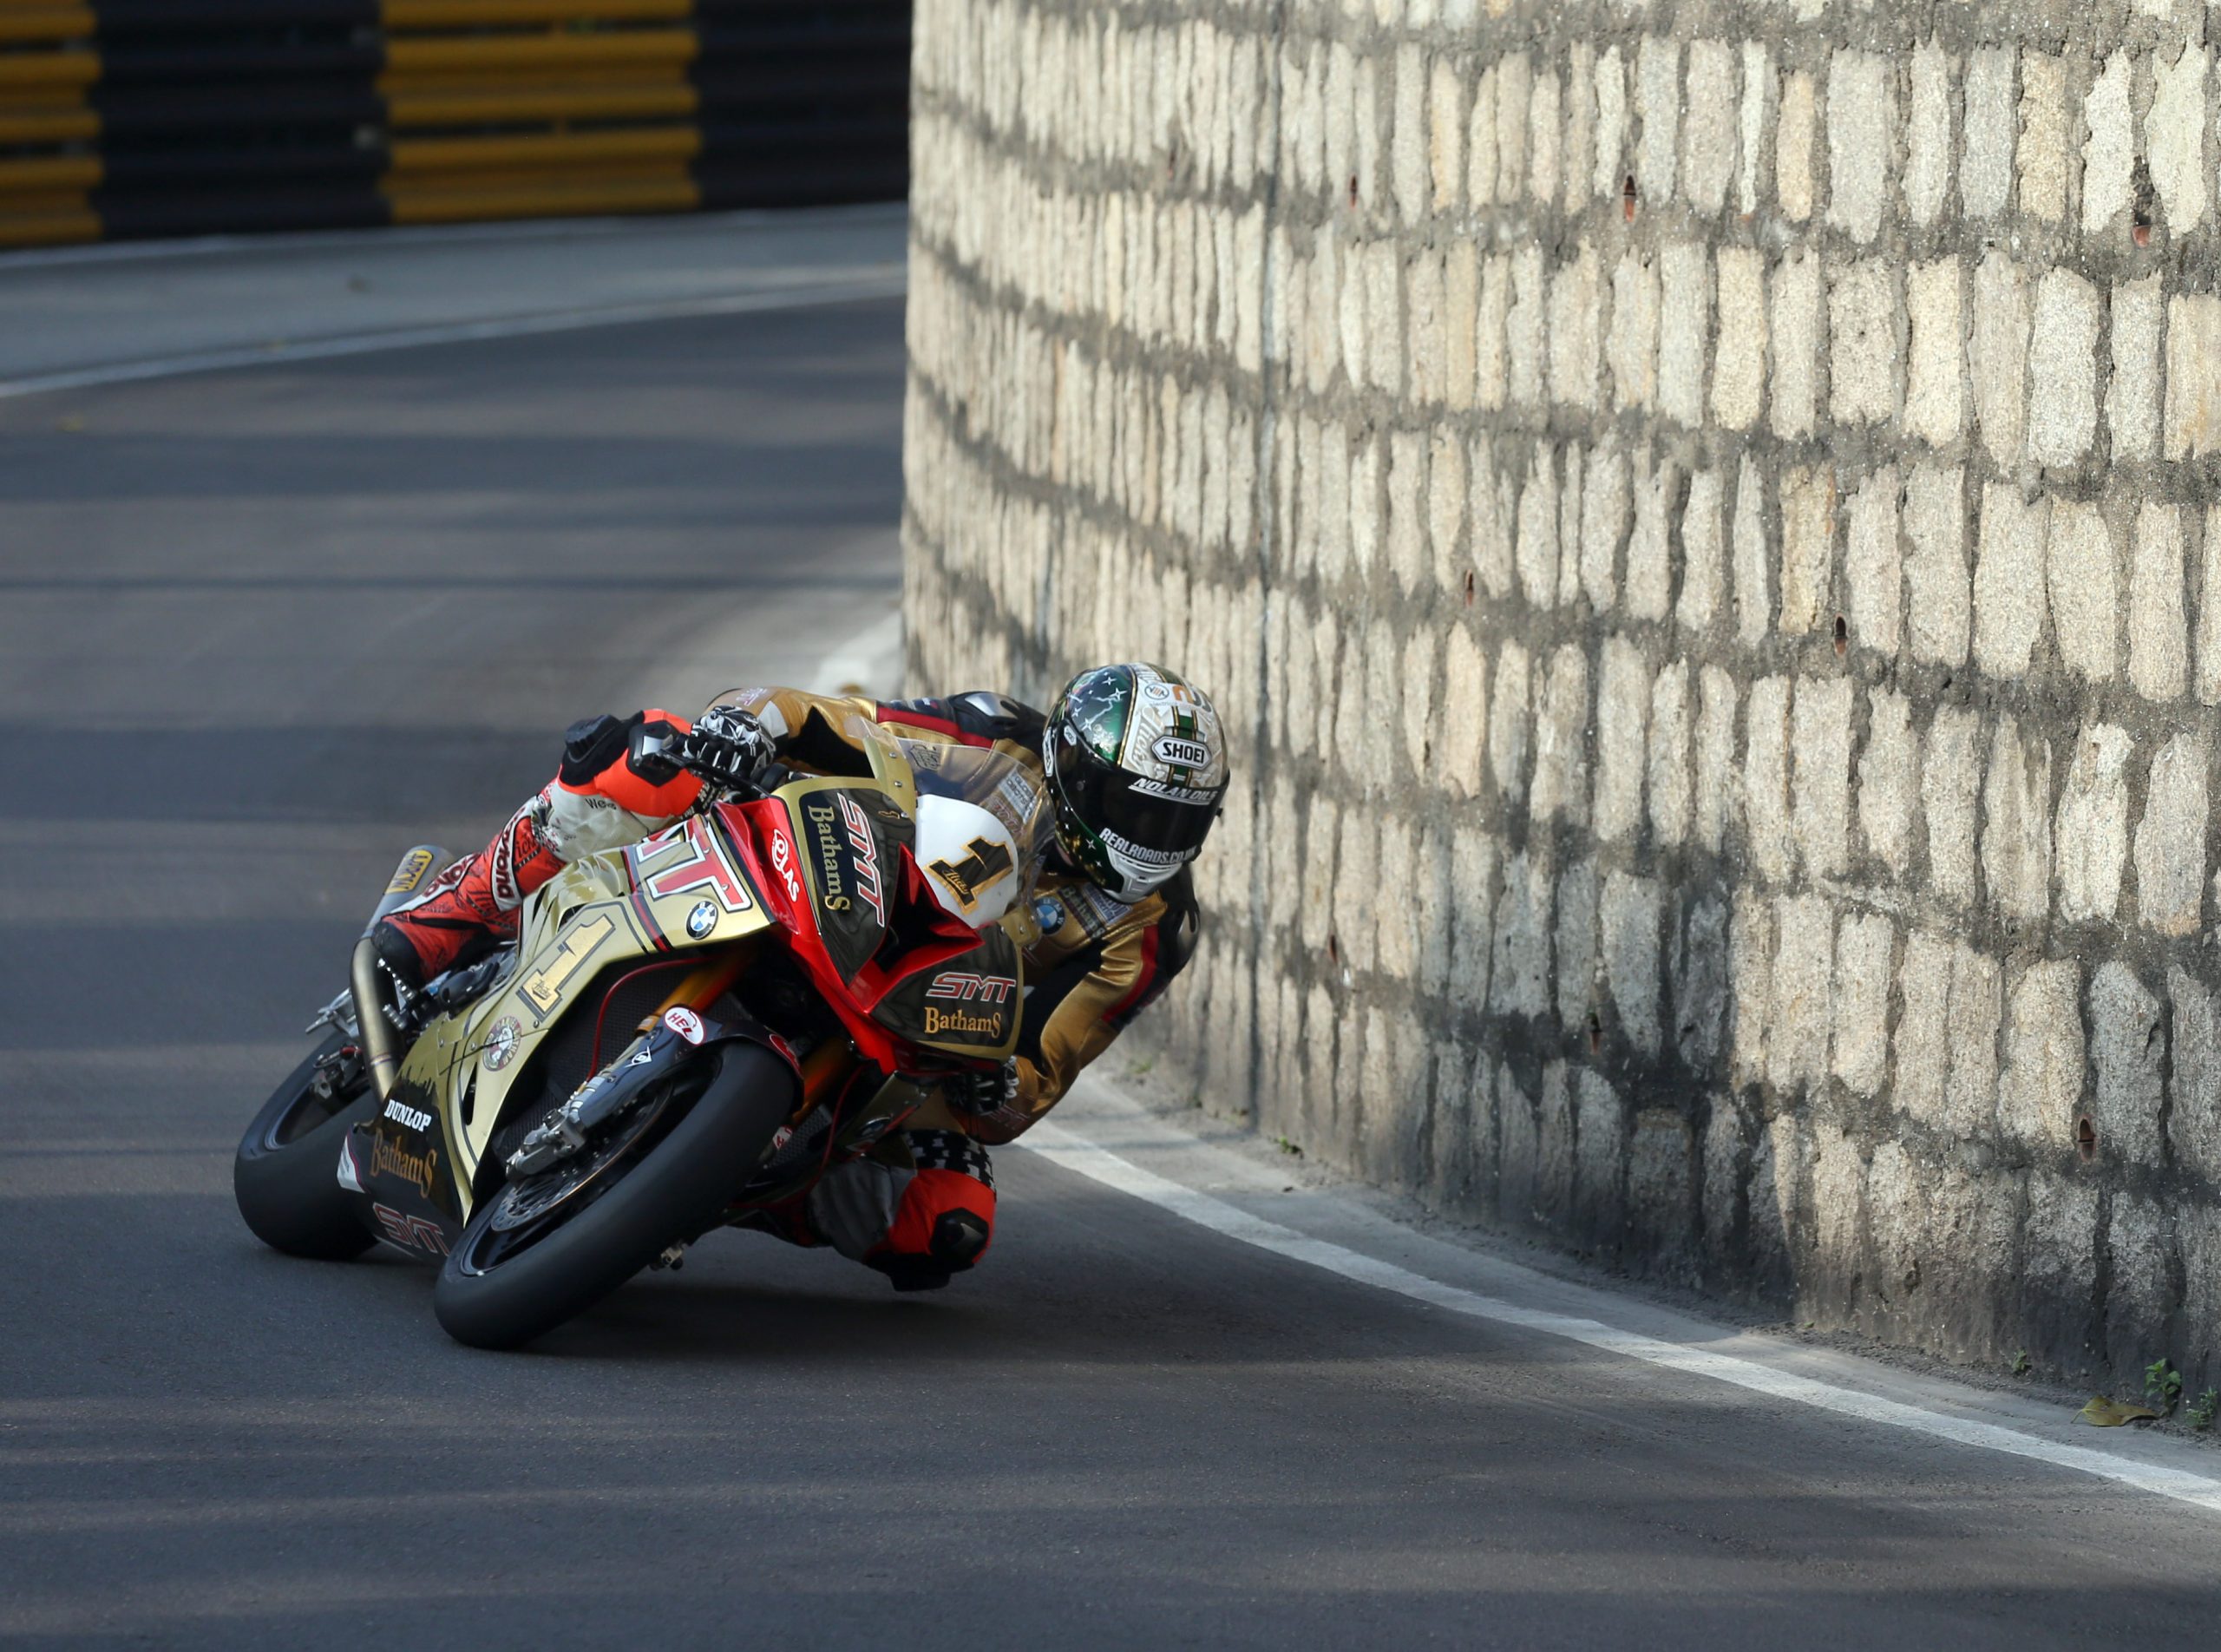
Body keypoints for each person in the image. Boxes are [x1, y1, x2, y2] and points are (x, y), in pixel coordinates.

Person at [371, 663, 1229, 1290]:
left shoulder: (1153, 928)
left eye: (1179, 819)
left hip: (920, 1028)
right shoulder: (998, 739)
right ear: (1077, 769)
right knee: (651, 753)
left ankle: (715, 1184)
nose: (1154, 834)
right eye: (1137, 807)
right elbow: (843, 720)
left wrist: (997, 1083)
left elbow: (1036, 1077)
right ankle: (454, 909)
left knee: (947, 1218)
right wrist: (754, 725)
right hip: (837, 881)